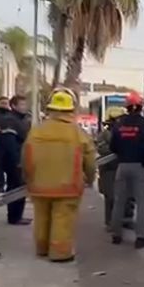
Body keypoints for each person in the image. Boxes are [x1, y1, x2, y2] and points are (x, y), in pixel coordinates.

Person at [22, 88, 96, 262]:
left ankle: (41, 248)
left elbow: (25, 157)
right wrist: (90, 179)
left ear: (50, 110)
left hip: (39, 184)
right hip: (68, 186)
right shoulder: (78, 133)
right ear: (71, 110)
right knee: (62, 220)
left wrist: (27, 178)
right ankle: (60, 252)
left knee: (41, 217)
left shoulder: (36, 131)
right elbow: (90, 160)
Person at [109, 91, 144, 248]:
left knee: (119, 201)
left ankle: (116, 235)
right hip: (139, 167)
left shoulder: (118, 125)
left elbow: (112, 146)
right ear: (141, 107)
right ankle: (141, 237)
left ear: (127, 107)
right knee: (141, 202)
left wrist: (123, 155)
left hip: (122, 166)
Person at [0, 95, 32, 225]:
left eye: (25, 104)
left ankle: (18, 215)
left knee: (20, 187)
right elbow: (9, 143)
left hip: (20, 158)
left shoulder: (21, 119)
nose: (24, 107)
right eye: (21, 105)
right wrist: (16, 161)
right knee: (15, 187)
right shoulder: (9, 120)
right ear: (14, 106)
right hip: (14, 160)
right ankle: (14, 216)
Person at [96, 106, 126, 229]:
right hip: (108, 170)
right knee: (111, 197)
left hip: (121, 168)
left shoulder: (125, 132)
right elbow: (102, 149)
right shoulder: (104, 135)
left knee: (124, 197)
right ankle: (110, 222)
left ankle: (122, 220)